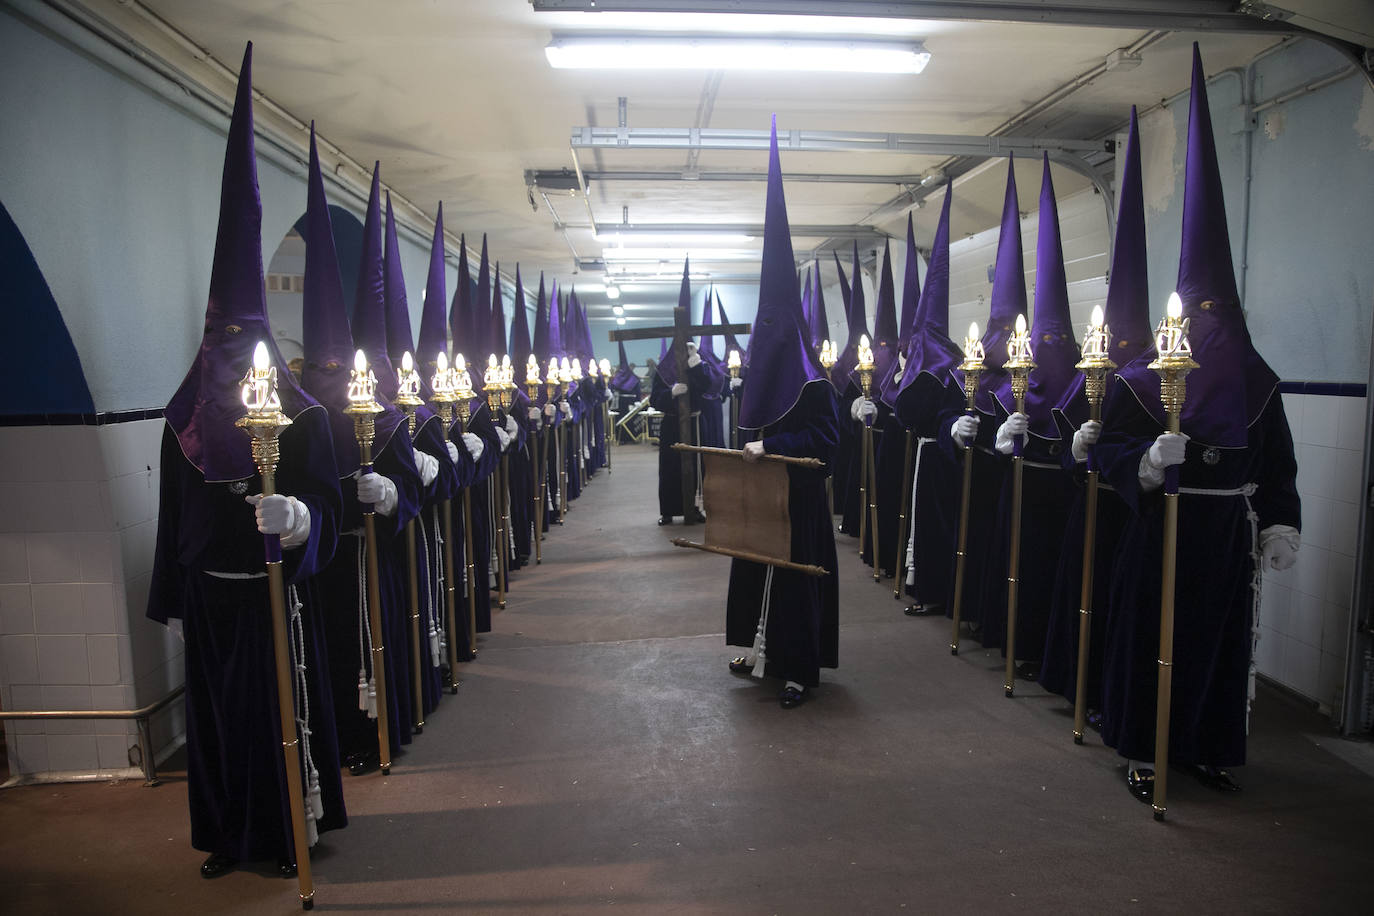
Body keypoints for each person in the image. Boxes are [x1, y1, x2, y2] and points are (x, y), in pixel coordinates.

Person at [148, 43, 347, 879]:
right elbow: (171, 513)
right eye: (220, 341)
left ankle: (286, 831)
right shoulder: (184, 420)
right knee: (217, 724)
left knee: (277, 711)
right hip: (210, 594)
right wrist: (171, 591)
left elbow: (328, 507)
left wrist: (300, 518)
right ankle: (227, 836)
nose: (231, 360)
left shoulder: (303, 421)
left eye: (245, 343)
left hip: (275, 590)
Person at [1095, 46, 1300, 802]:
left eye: (1219, 316)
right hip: (1163, 529)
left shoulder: (1258, 384)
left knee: (1215, 643)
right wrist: (1146, 462)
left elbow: (1277, 463)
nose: (1207, 334)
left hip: (1225, 537)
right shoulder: (1140, 384)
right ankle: (1143, 747)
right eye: (1196, 317)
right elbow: (1107, 453)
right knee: (1152, 634)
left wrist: (1280, 522)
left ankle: (1205, 746)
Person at [725, 117, 840, 709]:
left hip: (799, 499)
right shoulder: (760, 377)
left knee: (795, 579)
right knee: (755, 568)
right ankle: (758, 648)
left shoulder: (814, 382)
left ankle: (797, 667)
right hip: (761, 497)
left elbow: (826, 443)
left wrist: (772, 448)